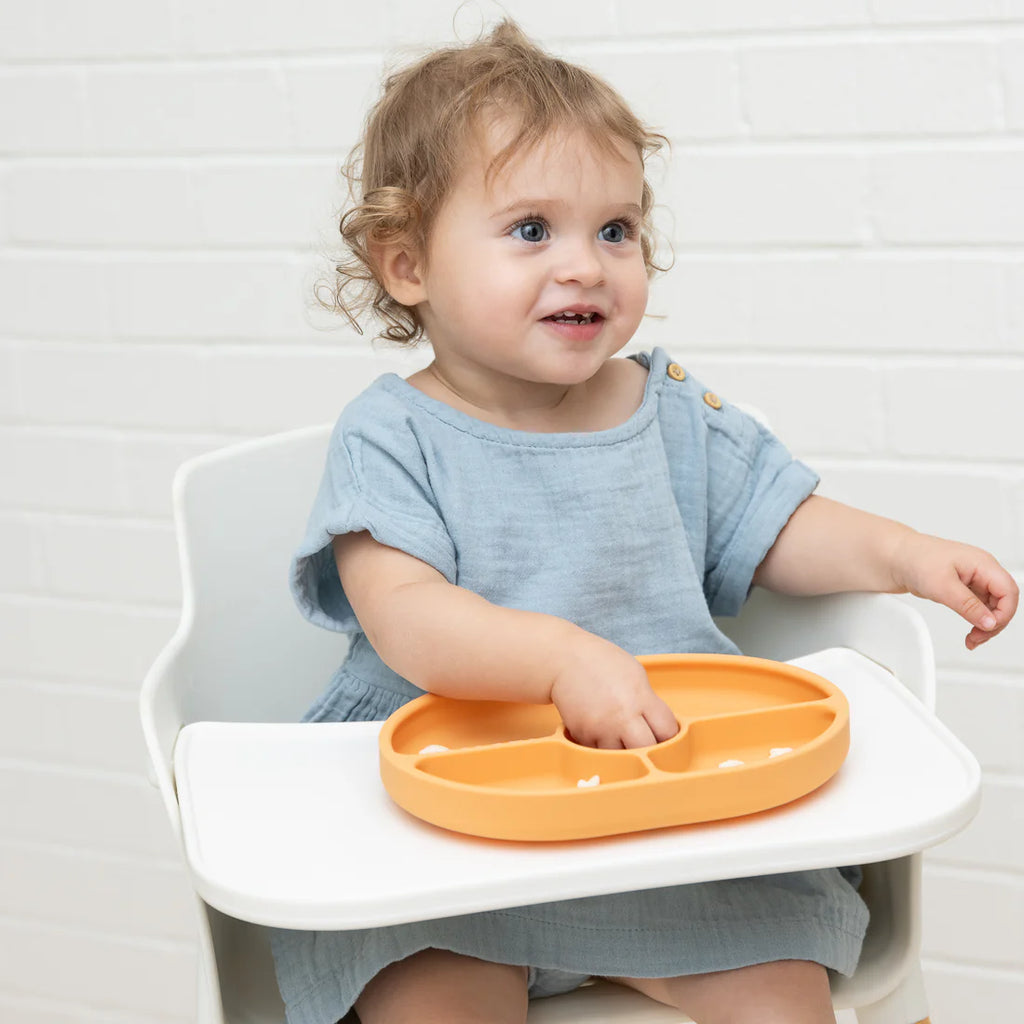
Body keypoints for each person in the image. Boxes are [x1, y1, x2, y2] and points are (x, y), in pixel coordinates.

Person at [270, 19, 1018, 1024]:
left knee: (782, 999)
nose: (585, 265)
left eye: (614, 229)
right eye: (532, 229)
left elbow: (776, 523)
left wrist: (905, 555)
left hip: (666, 815)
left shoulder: (664, 412)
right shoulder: (391, 434)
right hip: (456, 825)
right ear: (406, 263)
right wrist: (558, 660)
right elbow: (406, 614)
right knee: (430, 1000)